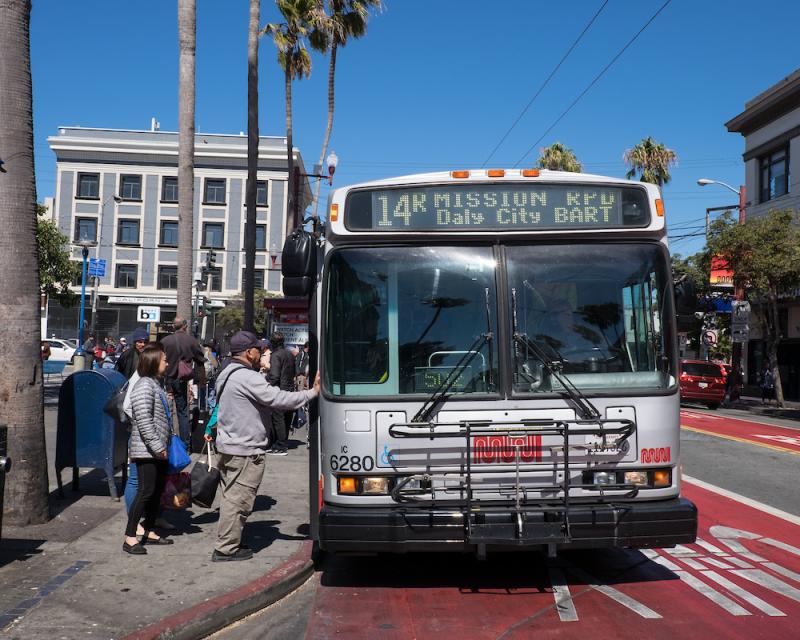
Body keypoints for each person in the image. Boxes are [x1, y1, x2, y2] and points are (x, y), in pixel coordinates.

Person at [212, 330, 319, 561]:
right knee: (238, 499)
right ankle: (226, 548)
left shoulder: (227, 372)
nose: (262, 353)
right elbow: (279, 399)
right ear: (248, 352)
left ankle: (230, 540)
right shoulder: (248, 377)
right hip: (245, 449)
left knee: (231, 496)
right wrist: (312, 393)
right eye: (258, 349)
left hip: (229, 445)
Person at [123, 342, 175, 555]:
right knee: (144, 492)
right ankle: (130, 537)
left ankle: (149, 530)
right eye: (164, 359)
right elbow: (143, 420)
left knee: (155, 493)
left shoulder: (155, 384)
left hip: (157, 449)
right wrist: (157, 446)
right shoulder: (144, 385)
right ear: (154, 362)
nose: (167, 362)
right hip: (147, 450)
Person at [161, 316, 205, 448]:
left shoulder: (165, 341)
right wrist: (200, 379)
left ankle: (165, 442)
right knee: (182, 412)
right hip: (182, 380)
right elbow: (200, 360)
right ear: (185, 326)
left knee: (165, 411)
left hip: (166, 379)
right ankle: (184, 445)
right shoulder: (191, 341)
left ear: (173, 326)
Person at [266, 331, 296, 455]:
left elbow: (274, 376)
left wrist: (265, 382)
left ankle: (280, 445)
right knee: (286, 418)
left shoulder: (276, 355)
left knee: (278, 418)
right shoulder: (289, 354)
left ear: (272, 342)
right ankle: (282, 442)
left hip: (279, 390)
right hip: (289, 389)